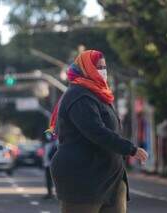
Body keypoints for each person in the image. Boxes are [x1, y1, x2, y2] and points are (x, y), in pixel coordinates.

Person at [47, 50, 148, 213]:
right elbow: (96, 131)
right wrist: (131, 149)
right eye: (98, 67)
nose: (103, 71)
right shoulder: (79, 96)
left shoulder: (100, 95)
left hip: (111, 178)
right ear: (86, 69)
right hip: (84, 178)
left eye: (104, 67)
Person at [42, 130, 58, 199]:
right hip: (47, 164)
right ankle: (50, 193)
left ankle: (56, 194)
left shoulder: (55, 144)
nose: (48, 137)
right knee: (49, 180)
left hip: (53, 164)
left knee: (56, 180)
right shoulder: (47, 144)